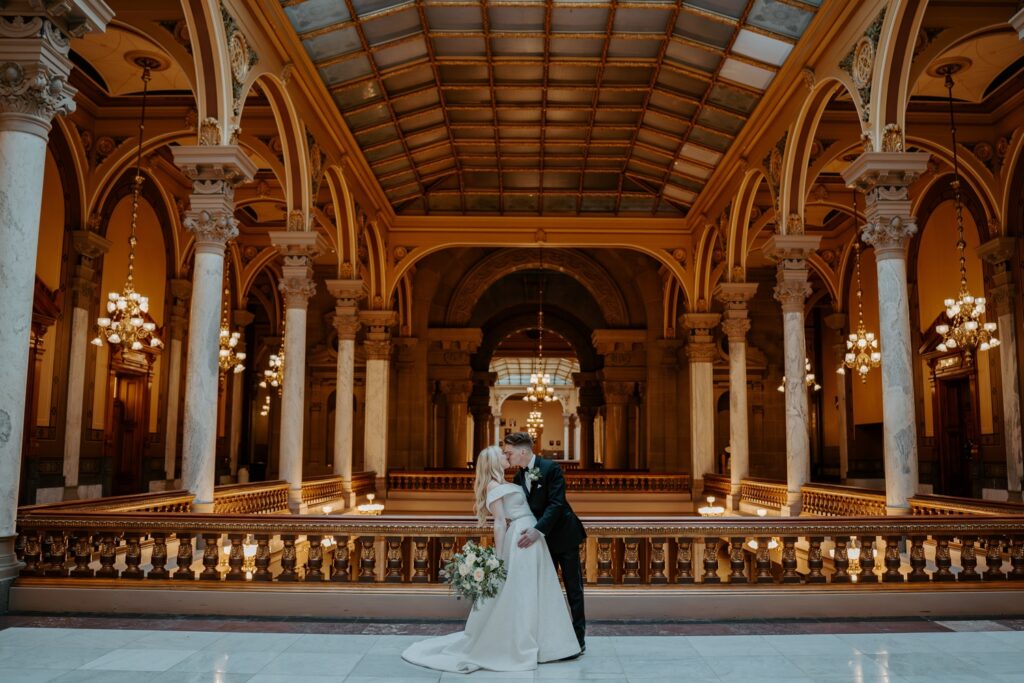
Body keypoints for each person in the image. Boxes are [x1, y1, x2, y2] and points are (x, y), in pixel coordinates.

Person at [402, 444, 581, 672]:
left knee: (539, 590)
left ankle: (549, 645)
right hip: (520, 540)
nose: (507, 456)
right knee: (524, 592)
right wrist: (499, 557)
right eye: (502, 455)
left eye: (508, 453)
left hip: (533, 537)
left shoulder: (511, 481)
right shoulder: (494, 486)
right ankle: (524, 644)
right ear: (494, 462)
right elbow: (499, 522)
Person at [504, 431, 587, 651]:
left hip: (564, 536)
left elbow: (557, 504)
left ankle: (579, 640)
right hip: (541, 544)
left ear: (523, 451)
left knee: (573, 589)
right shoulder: (518, 478)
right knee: (545, 589)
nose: (507, 456)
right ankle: (551, 639)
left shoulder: (551, 468)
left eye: (509, 452)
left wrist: (536, 530)